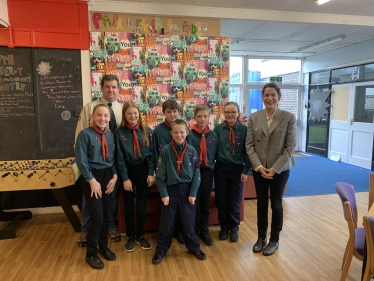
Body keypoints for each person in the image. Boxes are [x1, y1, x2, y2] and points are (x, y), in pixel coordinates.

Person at [245, 82, 296, 256]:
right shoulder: (254, 117)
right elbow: (249, 145)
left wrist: (274, 169)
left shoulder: (288, 117)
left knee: (276, 204)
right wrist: (259, 167)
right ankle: (261, 238)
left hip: (280, 169)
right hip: (260, 169)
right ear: (262, 97)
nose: (270, 98)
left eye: (273, 95)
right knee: (261, 203)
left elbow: (290, 148)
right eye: (266, 95)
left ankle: (274, 239)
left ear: (279, 97)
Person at [75, 74, 122, 246]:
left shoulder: (121, 109)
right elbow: (79, 137)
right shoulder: (90, 108)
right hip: (91, 167)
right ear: (101, 88)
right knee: (90, 202)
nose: (111, 90)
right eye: (107, 86)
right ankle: (86, 231)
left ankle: (110, 227)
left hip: (110, 167)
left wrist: (116, 172)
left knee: (111, 199)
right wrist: (84, 170)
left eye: (114, 87)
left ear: (118, 89)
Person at [152, 119, 206, 265]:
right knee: (167, 222)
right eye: (175, 132)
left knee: (189, 221)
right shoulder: (165, 151)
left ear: (187, 133)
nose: (179, 135)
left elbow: (197, 174)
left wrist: (193, 193)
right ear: (171, 133)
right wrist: (163, 194)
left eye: (182, 132)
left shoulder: (192, 151)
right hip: (171, 190)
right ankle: (161, 250)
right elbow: (160, 176)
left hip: (187, 190)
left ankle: (194, 247)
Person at [75, 104, 117, 269]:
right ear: (93, 116)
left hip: (108, 176)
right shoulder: (85, 134)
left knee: (105, 215)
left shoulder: (111, 135)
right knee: (97, 217)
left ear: (109, 118)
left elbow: (112, 159)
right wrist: (92, 180)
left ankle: (103, 247)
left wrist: (114, 177)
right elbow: (81, 160)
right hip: (92, 178)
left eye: (106, 116)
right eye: (99, 115)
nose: (103, 118)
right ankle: (91, 254)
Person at [115, 101, 155, 252]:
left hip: (144, 170)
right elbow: (119, 158)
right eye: (129, 113)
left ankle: (140, 236)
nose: (133, 116)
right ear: (125, 115)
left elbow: (151, 155)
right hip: (128, 170)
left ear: (139, 114)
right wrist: (125, 178)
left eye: (135, 113)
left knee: (141, 204)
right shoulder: (120, 133)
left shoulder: (148, 131)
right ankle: (130, 236)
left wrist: (151, 173)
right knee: (129, 204)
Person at [213, 102, 251, 243]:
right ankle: (224, 227)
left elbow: (248, 151)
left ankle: (234, 227)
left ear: (238, 113)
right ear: (224, 113)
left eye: (233, 112)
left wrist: (246, 169)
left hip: (237, 169)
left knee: (235, 199)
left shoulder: (243, 130)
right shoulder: (218, 129)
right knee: (221, 198)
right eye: (227, 112)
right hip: (221, 168)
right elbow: (213, 149)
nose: (230, 115)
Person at [153, 99, 185, 244]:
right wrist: (156, 172)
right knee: (167, 204)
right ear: (163, 113)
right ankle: (167, 233)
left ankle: (180, 231)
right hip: (165, 173)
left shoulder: (183, 127)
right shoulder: (158, 130)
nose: (172, 114)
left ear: (179, 112)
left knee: (180, 205)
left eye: (174, 111)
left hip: (180, 173)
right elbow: (154, 152)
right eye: (168, 112)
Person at [186, 104, 218, 246]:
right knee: (193, 203)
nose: (202, 119)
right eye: (199, 116)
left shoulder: (213, 135)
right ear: (194, 117)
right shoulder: (189, 135)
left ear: (209, 117)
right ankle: (192, 231)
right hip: (192, 173)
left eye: (205, 116)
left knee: (205, 202)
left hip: (207, 173)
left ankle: (204, 230)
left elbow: (216, 154)